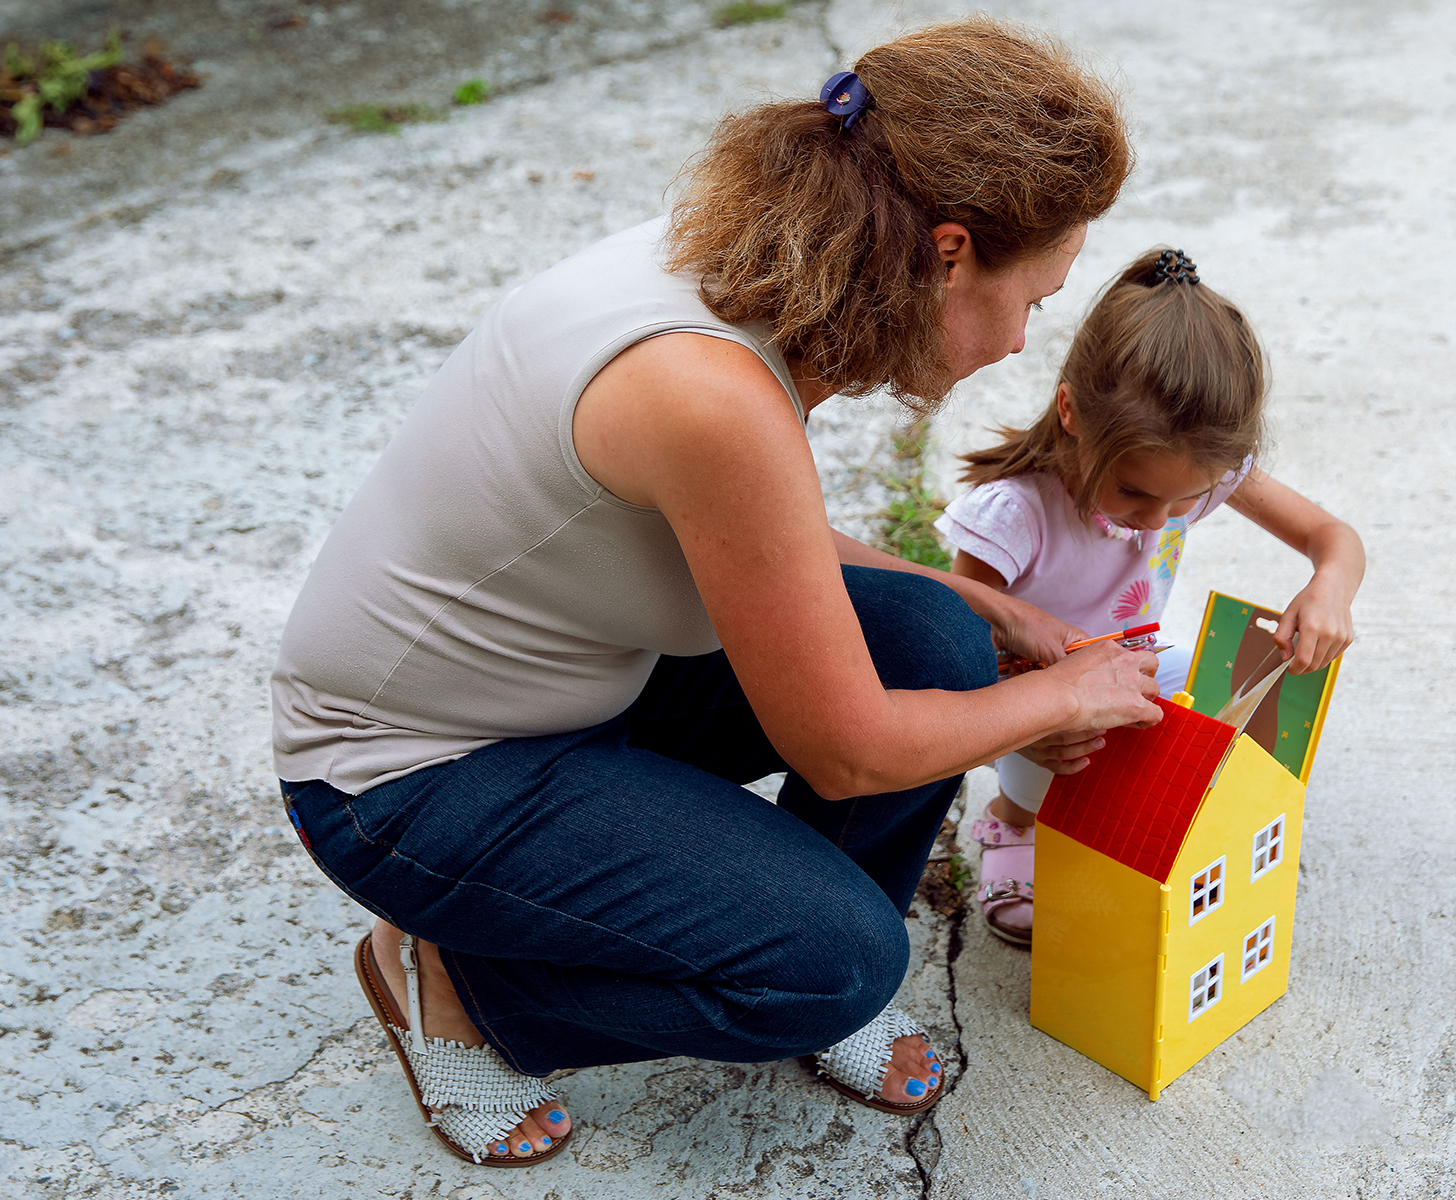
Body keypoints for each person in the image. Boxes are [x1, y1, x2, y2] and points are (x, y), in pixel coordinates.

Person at [271, 19, 1151, 1168]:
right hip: (405, 779)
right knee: (830, 964)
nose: (1023, 338)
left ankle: (793, 944)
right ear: (946, 254)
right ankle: (461, 981)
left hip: (576, 690)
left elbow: (760, 531)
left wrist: (984, 603)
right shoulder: (707, 390)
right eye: (1034, 298)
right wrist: (1066, 697)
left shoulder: (747, 259)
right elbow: (847, 751)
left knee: (933, 634)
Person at [934, 248, 1365, 946]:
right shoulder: (1014, 516)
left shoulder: (1201, 471)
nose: (1157, 519)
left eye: (1186, 499)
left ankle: (1134, 827)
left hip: (1130, 663)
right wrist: (1028, 717)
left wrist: (1330, 588)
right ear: (1072, 411)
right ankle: (1013, 823)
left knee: (1218, 709)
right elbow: (952, 639)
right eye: (1133, 492)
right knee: (1063, 767)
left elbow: (1331, 536)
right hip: (1037, 695)